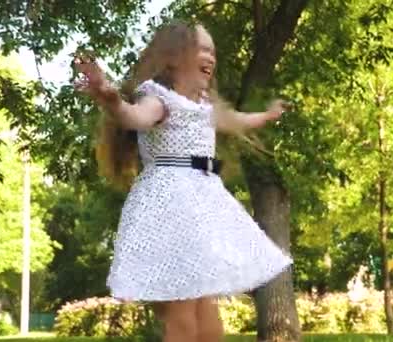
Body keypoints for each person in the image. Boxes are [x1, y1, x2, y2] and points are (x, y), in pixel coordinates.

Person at [73, 20, 293, 342]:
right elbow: (134, 117)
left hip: (203, 204)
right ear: (174, 57)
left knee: (207, 310)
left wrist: (267, 115)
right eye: (203, 49)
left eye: (213, 51)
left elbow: (236, 120)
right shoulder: (159, 98)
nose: (211, 57)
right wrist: (110, 98)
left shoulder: (205, 106)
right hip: (172, 205)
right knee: (182, 311)